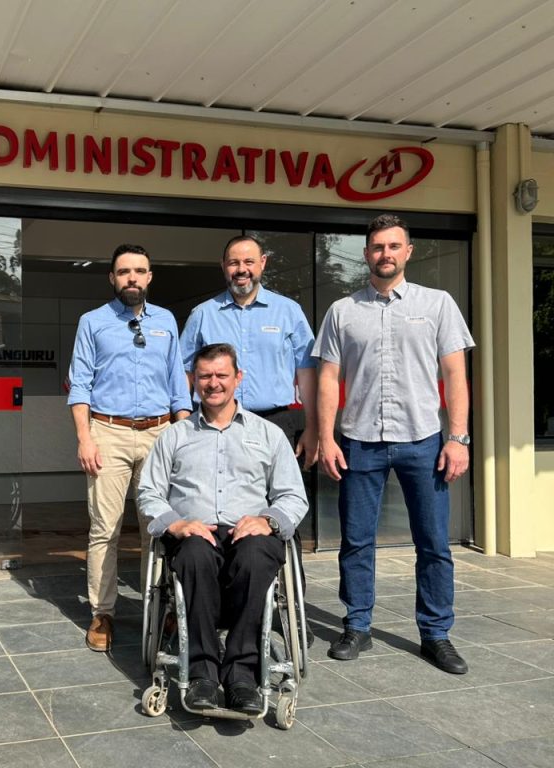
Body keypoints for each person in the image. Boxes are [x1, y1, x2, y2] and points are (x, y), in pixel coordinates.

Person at [315, 214, 474, 675]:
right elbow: (327, 379)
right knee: (356, 542)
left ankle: (436, 634)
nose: (385, 254)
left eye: (393, 246)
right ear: (367, 254)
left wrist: (458, 438)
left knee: (434, 543)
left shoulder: (438, 304)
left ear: (408, 251)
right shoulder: (342, 311)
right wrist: (325, 437)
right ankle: (357, 626)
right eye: (377, 247)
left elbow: (455, 375)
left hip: (423, 440)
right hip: (360, 441)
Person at [138, 343, 307, 713]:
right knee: (194, 556)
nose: (213, 383)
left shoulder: (268, 434)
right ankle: (201, 673)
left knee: (256, 557)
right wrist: (176, 523)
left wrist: (268, 521)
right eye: (204, 376)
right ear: (194, 381)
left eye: (221, 375)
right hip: (194, 535)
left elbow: (293, 496)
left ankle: (241, 676)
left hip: (252, 534)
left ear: (238, 378)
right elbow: (149, 492)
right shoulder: (175, 436)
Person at [179, 234, 317, 642]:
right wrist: (184, 423)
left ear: (263, 264)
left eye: (249, 262)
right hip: (215, 422)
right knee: (217, 509)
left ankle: (291, 615)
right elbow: (185, 372)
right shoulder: (203, 314)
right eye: (234, 263)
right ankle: (221, 606)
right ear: (224, 267)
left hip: (276, 423)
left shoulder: (288, 311)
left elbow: (306, 371)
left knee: (280, 518)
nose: (242, 270)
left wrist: (312, 426)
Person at [68, 244, 192, 652]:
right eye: (124, 272)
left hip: (159, 434)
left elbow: (177, 383)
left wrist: (183, 435)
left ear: (149, 277)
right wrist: (85, 437)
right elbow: (80, 384)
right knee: (105, 528)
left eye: (139, 271)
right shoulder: (93, 322)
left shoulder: (166, 321)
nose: (132, 278)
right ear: (112, 278)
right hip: (108, 432)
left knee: (158, 526)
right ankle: (102, 612)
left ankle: (159, 607)